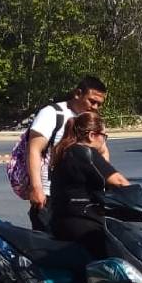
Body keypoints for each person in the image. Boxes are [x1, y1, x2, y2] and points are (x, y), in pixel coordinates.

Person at [25, 76, 108, 231]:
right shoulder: (52, 113)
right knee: (48, 247)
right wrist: (36, 188)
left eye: (99, 104)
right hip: (51, 195)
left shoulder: (92, 119)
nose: (95, 107)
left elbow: (103, 153)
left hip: (85, 198)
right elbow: (33, 149)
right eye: (92, 101)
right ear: (77, 93)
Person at [48, 112, 129, 258]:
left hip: (63, 220)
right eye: (104, 136)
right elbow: (119, 182)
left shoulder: (67, 150)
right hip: (82, 222)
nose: (105, 141)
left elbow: (101, 173)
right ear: (92, 135)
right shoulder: (84, 152)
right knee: (114, 257)